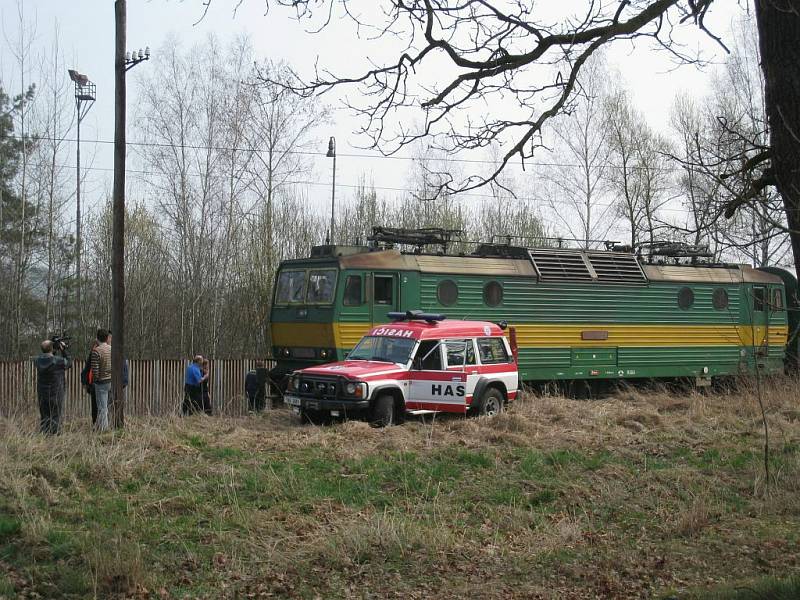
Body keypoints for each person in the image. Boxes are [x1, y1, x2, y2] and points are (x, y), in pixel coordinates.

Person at [35, 339, 72, 435]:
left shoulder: (37, 361)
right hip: (56, 392)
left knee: (45, 416)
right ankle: (55, 436)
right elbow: (69, 362)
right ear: (52, 348)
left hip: (42, 393)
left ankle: (45, 435)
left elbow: (48, 357)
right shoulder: (58, 361)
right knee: (56, 416)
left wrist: (52, 350)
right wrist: (63, 349)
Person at [90, 329, 112, 432]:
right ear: (107, 338)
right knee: (107, 406)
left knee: (102, 408)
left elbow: (95, 370)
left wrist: (96, 380)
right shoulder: (111, 349)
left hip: (101, 382)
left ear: (97, 337)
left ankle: (104, 430)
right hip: (111, 381)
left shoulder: (96, 351)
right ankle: (102, 427)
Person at [81, 340, 99, 425]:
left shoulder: (109, 351)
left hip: (103, 383)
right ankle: (95, 424)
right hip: (93, 384)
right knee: (95, 408)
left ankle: (102, 426)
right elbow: (86, 369)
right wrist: (85, 382)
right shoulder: (93, 353)